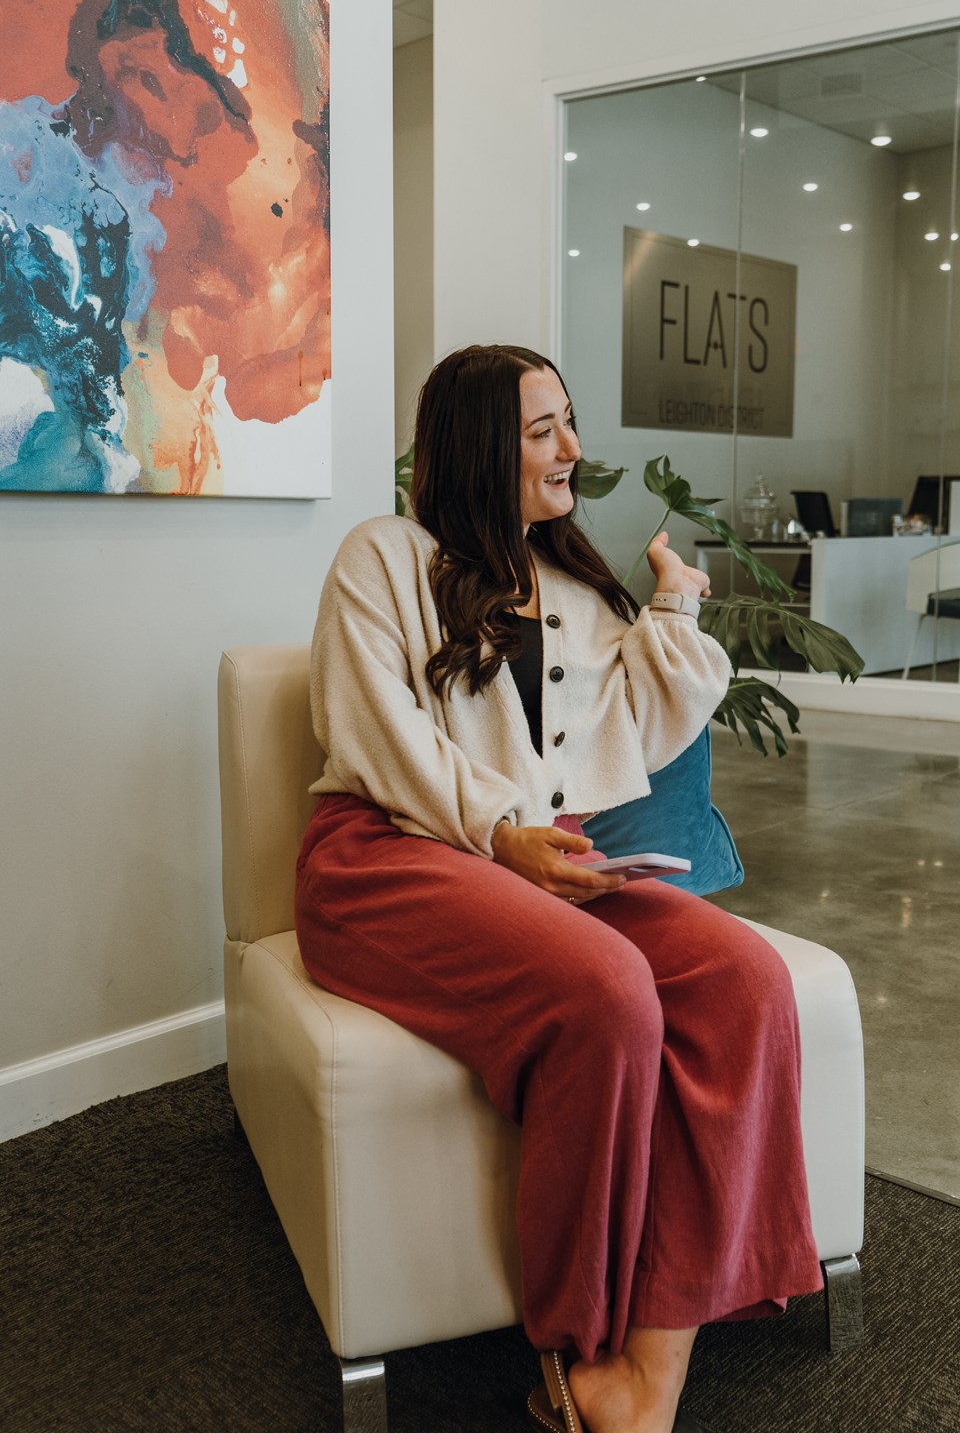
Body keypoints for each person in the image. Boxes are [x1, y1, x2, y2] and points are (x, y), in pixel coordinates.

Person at [294, 344, 823, 1433]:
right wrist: (497, 833)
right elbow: (375, 735)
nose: (573, 451)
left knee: (745, 979)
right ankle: (570, 1340)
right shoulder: (382, 556)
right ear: (483, 443)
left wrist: (674, 607)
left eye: (568, 426)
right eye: (544, 432)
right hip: (389, 857)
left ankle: (646, 1379)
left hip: (537, 855)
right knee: (605, 992)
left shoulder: (573, 586)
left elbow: (635, 734)